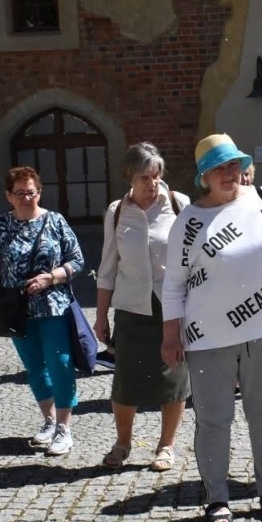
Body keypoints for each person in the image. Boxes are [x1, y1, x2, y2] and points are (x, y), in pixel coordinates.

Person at [161, 133, 262, 522]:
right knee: (214, 421)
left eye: (233, 164)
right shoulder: (188, 222)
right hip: (207, 338)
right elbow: (173, 285)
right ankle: (217, 497)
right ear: (204, 177)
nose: (228, 173)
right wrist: (170, 336)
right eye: (218, 168)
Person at [0, 166, 86, 456]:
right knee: (34, 366)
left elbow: (77, 260)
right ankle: (49, 420)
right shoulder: (2, 225)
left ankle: (64, 428)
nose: (26, 198)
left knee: (60, 363)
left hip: (53, 305)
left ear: (39, 192)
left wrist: (51, 277)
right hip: (16, 308)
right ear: (9, 196)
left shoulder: (55, 221)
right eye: (19, 193)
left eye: (31, 192)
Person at [93, 143, 191, 471]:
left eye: (156, 175)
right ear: (129, 178)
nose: (152, 183)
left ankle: (166, 446)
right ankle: (122, 443)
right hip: (131, 306)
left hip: (172, 304)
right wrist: (101, 316)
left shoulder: (178, 204)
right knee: (126, 379)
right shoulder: (117, 211)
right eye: (144, 177)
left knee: (173, 377)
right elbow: (108, 266)